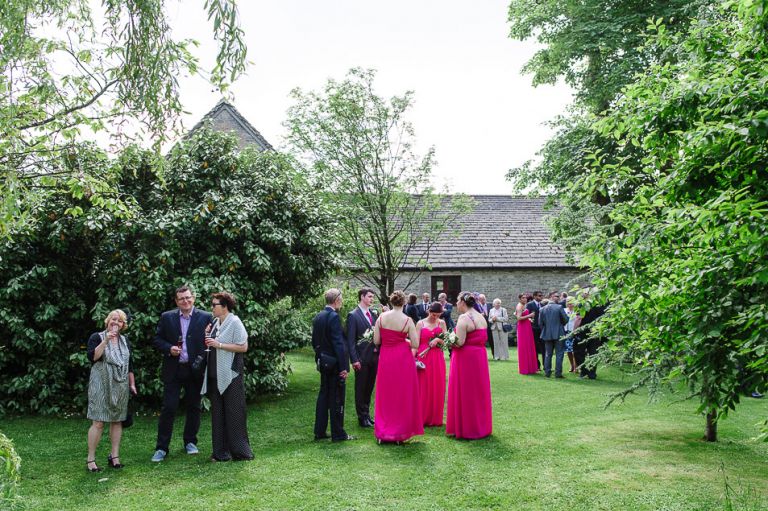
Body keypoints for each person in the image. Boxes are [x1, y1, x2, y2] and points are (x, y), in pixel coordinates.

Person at [151, 285, 212, 462]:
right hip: (174, 369)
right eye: (181, 299)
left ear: (193, 298)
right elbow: (157, 339)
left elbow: (210, 341)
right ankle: (162, 448)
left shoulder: (206, 317)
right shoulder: (167, 317)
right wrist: (169, 348)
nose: (185, 301)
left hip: (195, 369)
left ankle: (190, 442)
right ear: (176, 301)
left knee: (194, 407)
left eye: (188, 297)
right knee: (169, 407)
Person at [201, 291, 253, 461]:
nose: (212, 308)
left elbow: (243, 347)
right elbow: (211, 344)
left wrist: (219, 344)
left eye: (214, 304)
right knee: (218, 415)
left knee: (234, 413)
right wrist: (208, 336)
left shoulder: (235, 322)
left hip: (231, 374)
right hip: (215, 374)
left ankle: (240, 452)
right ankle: (220, 453)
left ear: (224, 307)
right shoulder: (216, 322)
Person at [86, 310, 136, 472]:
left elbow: (130, 365)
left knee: (117, 420)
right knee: (98, 422)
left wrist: (132, 384)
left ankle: (114, 457)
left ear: (123, 325)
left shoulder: (125, 340)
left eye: (120, 321)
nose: (116, 323)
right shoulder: (97, 337)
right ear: (108, 321)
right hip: (100, 383)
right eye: (113, 319)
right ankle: (91, 459)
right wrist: (106, 340)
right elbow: (93, 357)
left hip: (120, 384)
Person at [373, 290, 423, 443]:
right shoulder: (407, 320)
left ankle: (383, 432)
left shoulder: (381, 318)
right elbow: (415, 344)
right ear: (404, 303)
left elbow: (376, 341)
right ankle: (398, 432)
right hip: (402, 359)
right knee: (401, 394)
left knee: (385, 393)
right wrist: (404, 341)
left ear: (391, 302)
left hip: (386, 358)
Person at [446, 292, 492, 439]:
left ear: (463, 302)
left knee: (466, 391)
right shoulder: (481, 316)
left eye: (457, 301)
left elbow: (459, 342)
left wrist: (447, 340)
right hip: (479, 357)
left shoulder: (464, 318)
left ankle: (467, 427)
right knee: (478, 391)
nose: (456, 304)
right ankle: (480, 426)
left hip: (465, 359)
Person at [312, 288, 354, 441]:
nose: (341, 302)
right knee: (336, 397)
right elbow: (338, 344)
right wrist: (343, 367)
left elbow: (314, 342)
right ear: (336, 300)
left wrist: (320, 358)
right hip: (335, 363)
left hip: (323, 362)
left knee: (323, 396)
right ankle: (338, 433)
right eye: (341, 299)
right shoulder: (334, 317)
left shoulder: (318, 316)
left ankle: (319, 431)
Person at [345, 287, 379, 428]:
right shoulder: (353, 315)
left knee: (369, 388)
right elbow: (350, 340)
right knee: (361, 388)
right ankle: (361, 418)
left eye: (372, 297)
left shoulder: (373, 314)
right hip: (361, 359)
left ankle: (367, 415)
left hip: (374, 357)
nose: (372, 299)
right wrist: (354, 360)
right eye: (370, 296)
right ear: (362, 297)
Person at [415, 302, 447, 426]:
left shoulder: (442, 323)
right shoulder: (420, 323)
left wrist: (438, 339)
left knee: (437, 385)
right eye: (433, 314)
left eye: (438, 315)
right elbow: (415, 343)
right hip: (423, 356)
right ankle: (422, 416)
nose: (435, 317)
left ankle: (435, 417)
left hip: (437, 357)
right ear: (429, 311)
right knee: (424, 385)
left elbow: (447, 342)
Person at [575, 301, 607, 379]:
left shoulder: (582, 304)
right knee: (593, 352)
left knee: (579, 352)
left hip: (583, 331)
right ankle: (592, 373)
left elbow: (579, 318)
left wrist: (574, 331)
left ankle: (584, 371)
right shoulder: (601, 305)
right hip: (595, 331)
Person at [539, 296, 569, 378]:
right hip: (559, 333)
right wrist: (560, 325)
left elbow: (540, 323)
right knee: (559, 354)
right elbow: (566, 319)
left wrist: (546, 329)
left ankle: (547, 372)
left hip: (547, 334)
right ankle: (558, 373)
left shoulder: (542, 309)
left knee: (548, 354)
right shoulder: (559, 307)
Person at [516, 294, 538, 375]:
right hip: (522, 328)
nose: (525, 299)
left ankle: (530, 368)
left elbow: (521, 315)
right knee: (524, 346)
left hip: (527, 326)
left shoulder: (524, 305)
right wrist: (530, 315)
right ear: (520, 299)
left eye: (525, 298)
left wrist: (528, 319)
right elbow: (518, 318)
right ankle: (525, 368)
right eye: (523, 298)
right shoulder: (519, 306)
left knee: (529, 345)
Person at [526, 291, 544, 369]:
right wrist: (530, 319)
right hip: (534, 329)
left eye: (541, 296)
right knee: (535, 347)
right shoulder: (530, 305)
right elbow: (526, 315)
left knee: (544, 347)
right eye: (539, 296)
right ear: (534, 296)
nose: (541, 297)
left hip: (542, 329)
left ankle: (546, 365)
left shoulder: (543, 305)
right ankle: (537, 365)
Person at [564, 299, 578, 373]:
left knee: (574, 350)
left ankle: (576, 366)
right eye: (568, 303)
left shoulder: (577, 311)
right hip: (566, 332)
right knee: (568, 350)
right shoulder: (564, 310)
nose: (570, 304)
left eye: (571, 303)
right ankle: (572, 365)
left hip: (574, 332)